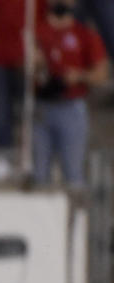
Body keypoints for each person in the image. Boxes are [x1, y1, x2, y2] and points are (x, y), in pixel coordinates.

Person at [33, 0, 107, 189]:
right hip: (42, 107)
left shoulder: (84, 34)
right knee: (40, 175)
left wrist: (79, 75)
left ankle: (76, 216)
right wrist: (35, 64)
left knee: (73, 175)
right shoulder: (37, 33)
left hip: (71, 107)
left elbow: (101, 74)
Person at [0, 0, 46, 182]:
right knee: (2, 112)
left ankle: (32, 158)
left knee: (28, 112)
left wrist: (40, 51)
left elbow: (45, 20)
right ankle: (5, 158)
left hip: (26, 57)